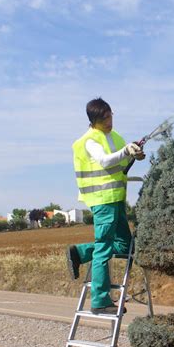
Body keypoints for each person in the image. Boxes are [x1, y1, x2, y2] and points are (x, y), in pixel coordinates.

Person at [66, 97, 145, 314]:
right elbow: (105, 160)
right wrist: (126, 152)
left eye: (110, 115)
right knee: (104, 248)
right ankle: (100, 301)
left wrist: (135, 156)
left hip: (116, 198)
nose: (109, 121)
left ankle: (80, 253)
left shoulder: (115, 136)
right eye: (104, 119)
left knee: (126, 247)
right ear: (93, 121)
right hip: (102, 201)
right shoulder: (90, 140)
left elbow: (120, 162)